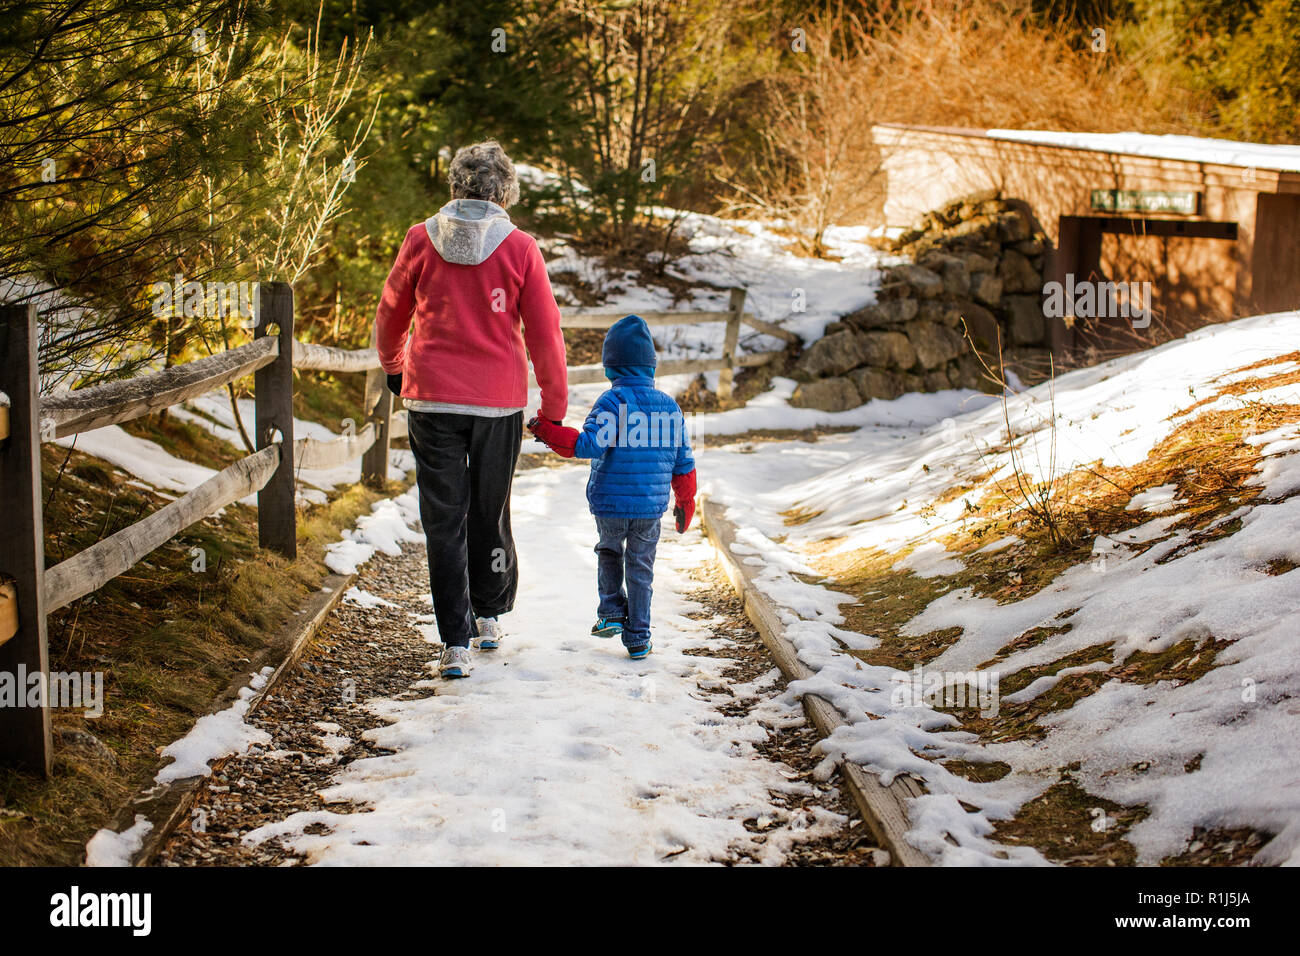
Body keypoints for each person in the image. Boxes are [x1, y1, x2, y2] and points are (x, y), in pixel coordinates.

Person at [374, 140, 568, 679]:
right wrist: (553, 408)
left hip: (431, 396)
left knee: (444, 517)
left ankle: (453, 641)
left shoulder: (420, 239)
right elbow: (545, 333)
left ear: (455, 186)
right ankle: (488, 614)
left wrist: (394, 364)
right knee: (490, 508)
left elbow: (391, 311)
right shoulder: (521, 247)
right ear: (505, 190)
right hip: (497, 403)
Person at [529, 314, 697, 659]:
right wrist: (686, 500)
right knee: (641, 568)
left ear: (610, 366)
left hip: (610, 503)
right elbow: (684, 462)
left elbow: (586, 446)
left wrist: (545, 429)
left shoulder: (612, 402)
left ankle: (609, 613)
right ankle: (638, 637)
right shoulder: (670, 407)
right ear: (651, 365)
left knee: (609, 552)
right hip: (650, 507)